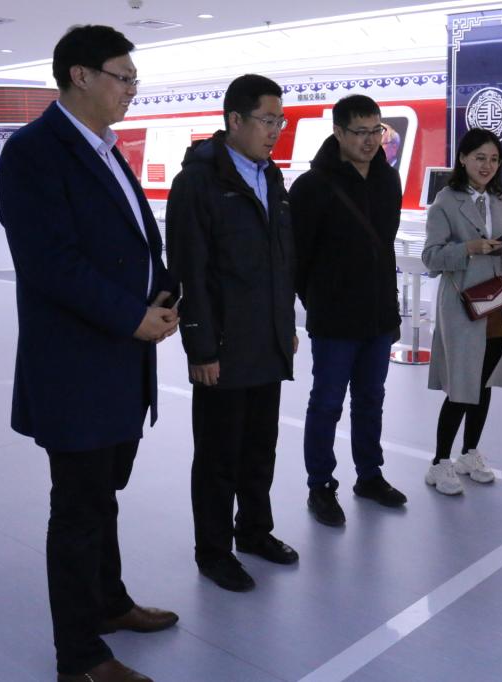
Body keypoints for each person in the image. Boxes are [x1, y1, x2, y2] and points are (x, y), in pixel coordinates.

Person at [0, 25, 179, 682]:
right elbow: (51, 263)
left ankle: (109, 601)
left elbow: (135, 243)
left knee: (102, 497)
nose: (131, 90)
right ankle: (79, 656)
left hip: (120, 362)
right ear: (80, 75)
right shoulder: (34, 152)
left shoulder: (106, 151)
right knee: (76, 509)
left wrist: (165, 293)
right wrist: (133, 316)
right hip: (76, 367)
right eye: (123, 78)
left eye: (133, 80)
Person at [165, 74, 299, 593]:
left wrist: (284, 325)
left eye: (280, 121)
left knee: (261, 448)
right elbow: (190, 270)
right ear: (234, 120)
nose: (275, 131)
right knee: (219, 456)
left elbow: (281, 261)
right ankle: (214, 551)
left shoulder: (272, 178)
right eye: (267, 120)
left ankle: (255, 531)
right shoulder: (199, 183)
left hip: (266, 341)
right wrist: (200, 347)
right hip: (222, 347)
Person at [290, 94, 407, 526]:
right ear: (338, 132)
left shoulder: (387, 180)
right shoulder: (312, 186)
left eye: (376, 131)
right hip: (335, 319)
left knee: (371, 400)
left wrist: (391, 310)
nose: (370, 141)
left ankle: (369, 475)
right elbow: (298, 258)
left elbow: (385, 248)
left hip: (379, 316)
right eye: (360, 132)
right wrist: (319, 302)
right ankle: (320, 484)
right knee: (326, 402)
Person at [420, 128, 502, 495]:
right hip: (461, 306)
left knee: (484, 384)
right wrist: (468, 248)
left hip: (496, 304)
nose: (487, 165)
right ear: (463, 158)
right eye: (480, 157)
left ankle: (469, 454)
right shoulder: (445, 203)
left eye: (494, 159)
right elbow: (431, 258)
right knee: (461, 386)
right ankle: (439, 463)